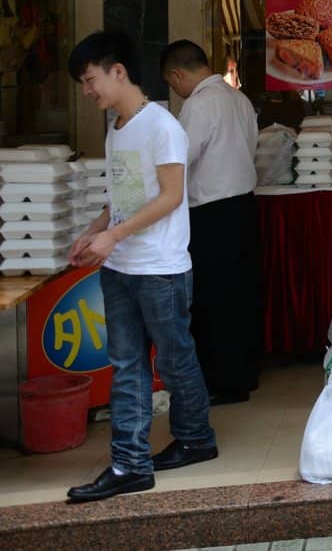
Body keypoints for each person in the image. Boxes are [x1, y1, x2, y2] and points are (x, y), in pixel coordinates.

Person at [65, 31, 217, 502]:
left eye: (90, 80)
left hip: (161, 268)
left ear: (118, 72)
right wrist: (96, 230)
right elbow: (123, 198)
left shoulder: (162, 125)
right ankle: (130, 464)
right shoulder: (116, 127)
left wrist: (113, 236)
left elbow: (171, 197)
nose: (87, 91)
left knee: (174, 360)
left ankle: (195, 438)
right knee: (127, 364)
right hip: (121, 265)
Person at [161, 39, 261, 405]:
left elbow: (179, 161)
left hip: (211, 214)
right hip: (243, 207)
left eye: (172, 84)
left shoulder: (199, 106)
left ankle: (223, 381)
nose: (176, 91)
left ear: (178, 73)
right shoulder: (239, 98)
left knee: (214, 301)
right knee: (242, 295)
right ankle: (245, 373)